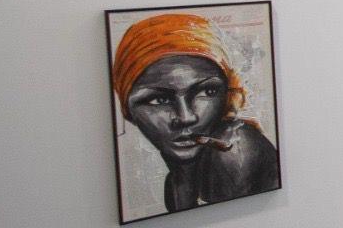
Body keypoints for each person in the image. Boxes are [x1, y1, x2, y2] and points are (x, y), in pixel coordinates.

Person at [112, 13, 279, 214]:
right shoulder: (176, 180)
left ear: (227, 94)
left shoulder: (236, 149)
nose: (186, 117)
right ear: (128, 109)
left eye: (207, 91)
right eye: (159, 100)